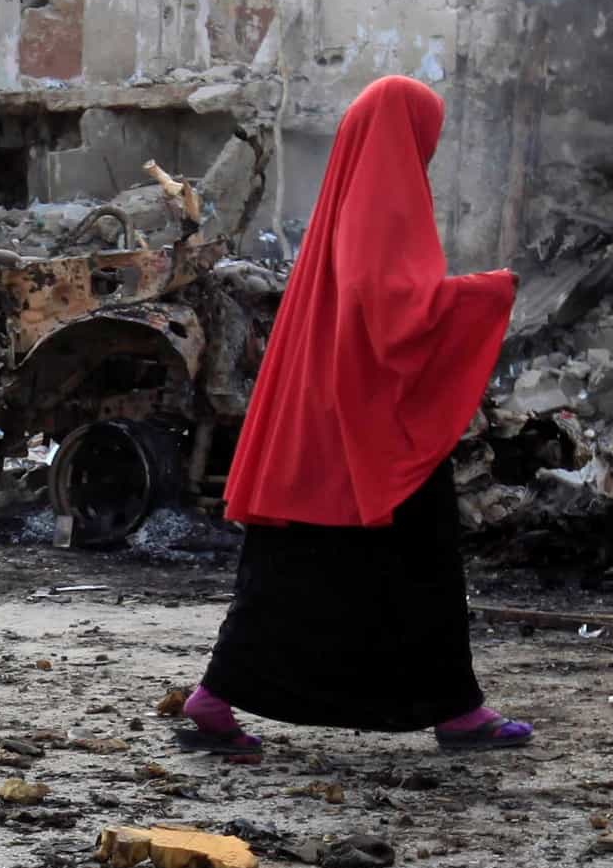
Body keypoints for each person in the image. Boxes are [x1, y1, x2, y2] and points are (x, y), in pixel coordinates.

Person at [183, 76, 533, 757]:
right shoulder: (382, 193)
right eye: (423, 139)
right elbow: (389, 305)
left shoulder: (351, 191)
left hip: (318, 417)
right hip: (359, 422)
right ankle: (456, 712)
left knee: (293, 565)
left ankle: (218, 696)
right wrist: (484, 296)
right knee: (420, 559)